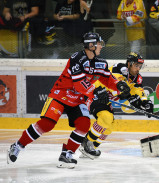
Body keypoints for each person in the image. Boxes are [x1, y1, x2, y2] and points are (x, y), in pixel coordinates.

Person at [7, 32, 130, 168]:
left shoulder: (101, 63)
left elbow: (108, 78)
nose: (101, 46)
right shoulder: (76, 58)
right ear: (91, 45)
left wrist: (119, 86)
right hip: (60, 95)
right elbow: (79, 83)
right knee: (46, 124)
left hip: (77, 100)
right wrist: (95, 91)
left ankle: (67, 153)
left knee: (83, 125)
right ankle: (18, 145)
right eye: (99, 43)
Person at [79, 52, 154, 159]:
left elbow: (138, 91)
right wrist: (130, 98)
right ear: (129, 64)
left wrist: (145, 102)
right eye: (136, 65)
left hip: (105, 99)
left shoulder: (137, 78)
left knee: (109, 127)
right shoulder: (120, 68)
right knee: (106, 118)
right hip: (94, 92)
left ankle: (91, 149)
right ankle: (86, 143)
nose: (138, 69)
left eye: (140, 66)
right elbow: (119, 87)